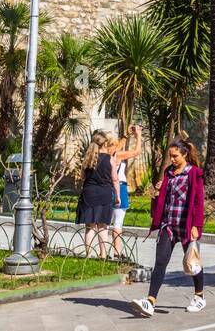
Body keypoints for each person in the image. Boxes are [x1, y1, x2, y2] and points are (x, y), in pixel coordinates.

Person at [132, 138, 205, 317]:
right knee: (160, 261)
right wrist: (158, 191)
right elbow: (163, 200)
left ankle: (199, 296)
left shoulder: (194, 173)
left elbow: (198, 202)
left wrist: (197, 225)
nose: (172, 159)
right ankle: (150, 302)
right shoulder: (168, 172)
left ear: (185, 154)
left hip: (186, 224)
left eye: (175, 156)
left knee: (193, 262)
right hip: (169, 224)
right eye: (170, 156)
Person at [77, 133, 120, 259]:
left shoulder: (88, 158)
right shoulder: (110, 159)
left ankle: (88, 254)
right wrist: (118, 196)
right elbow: (115, 180)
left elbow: (82, 177)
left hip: (89, 193)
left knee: (90, 226)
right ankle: (103, 254)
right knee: (103, 226)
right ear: (105, 144)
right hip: (104, 193)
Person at [108, 124, 143, 257]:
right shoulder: (118, 155)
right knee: (118, 223)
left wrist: (126, 135)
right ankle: (117, 253)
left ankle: (102, 252)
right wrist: (138, 136)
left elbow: (117, 147)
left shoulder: (105, 154)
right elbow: (136, 152)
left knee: (105, 223)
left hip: (107, 187)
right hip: (119, 187)